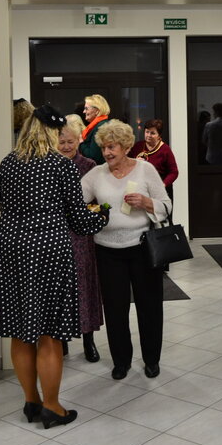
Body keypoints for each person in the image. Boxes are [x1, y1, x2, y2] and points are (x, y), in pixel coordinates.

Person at [0, 104, 108, 429]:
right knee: (50, 332)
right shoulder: (60, 166)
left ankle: (31, 401)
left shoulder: (8, 163)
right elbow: (80, 221)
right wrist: (103, 215)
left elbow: (6, 206)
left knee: (20, 329)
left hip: (12, 249)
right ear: (53, 133)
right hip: (49, 250)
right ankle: (52, 407)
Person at [81, 119, 172, 380]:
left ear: (126, 147)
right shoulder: (96, 174)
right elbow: (75, 202)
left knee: (150, 307)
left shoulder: (145, 170)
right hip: (107, 251)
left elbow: (166, 205)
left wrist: (146, 202)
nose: (107, 153)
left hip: (143, 249)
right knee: (115, 310)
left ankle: (152, 360)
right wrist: (90, 213)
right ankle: (121, 361)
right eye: (104, 148)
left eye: (112, 147)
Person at [58, 116, 103, 363]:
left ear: (79, 141)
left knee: (85, 287)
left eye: (71, 141)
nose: (66, 146)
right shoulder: (49, 165)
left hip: (83, 236)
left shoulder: (89, 165)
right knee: (61, 288)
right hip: (56, 235)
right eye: (62, 141)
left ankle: (88, 340)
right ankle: (62, 340)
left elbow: (96, 200)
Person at [129, 118, 179, 202]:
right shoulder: (138, 146)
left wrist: (163, 185)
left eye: (152, 133)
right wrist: (135, 162)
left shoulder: (165, 150)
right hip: (141, 190)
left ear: (159, 135)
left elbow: (174, 172)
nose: (148, 135)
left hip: (160, 192)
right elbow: (127, 162)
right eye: (147, 132)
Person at [79, 94, 110, 164]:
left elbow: (93, 156)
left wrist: (81, 143)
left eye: (86, 108)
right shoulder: (100, 125)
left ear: (97, 111)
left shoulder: (99, 127)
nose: (84, 111)